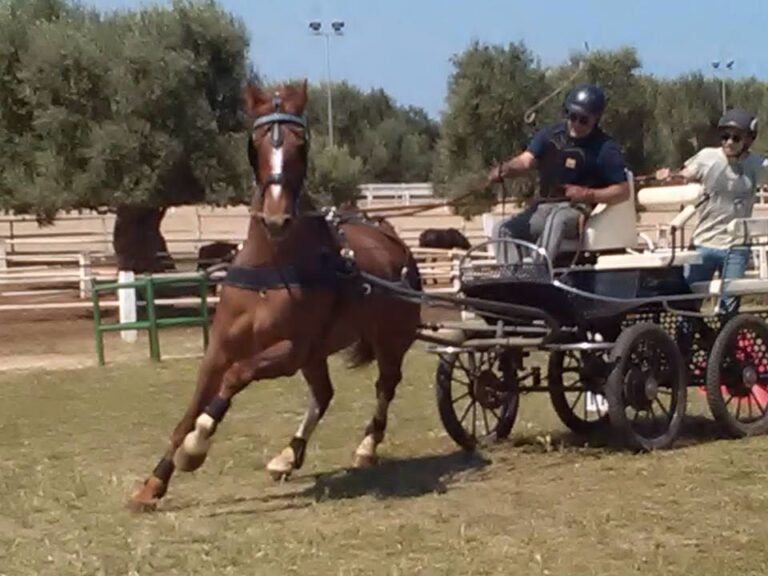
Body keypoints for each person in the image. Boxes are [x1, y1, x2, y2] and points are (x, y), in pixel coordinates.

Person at [487, 83, 630, 263]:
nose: (576, 124)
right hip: (543, 206)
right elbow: (526, 160)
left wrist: (588, 194)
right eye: (572, 116)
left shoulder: (605, 148)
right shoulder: (550, 135)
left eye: (583, 120)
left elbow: (623, 191)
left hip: (575, 209)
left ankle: (539, 270)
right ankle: (512, 275)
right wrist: (506, 169)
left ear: (596, 119)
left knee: (557, 219)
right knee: (502, 229)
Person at [656, 108, 767, 314]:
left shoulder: (757, 164)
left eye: (736, 138)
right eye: (725, 136)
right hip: (703, 243)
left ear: (749, 140)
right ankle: (690, 334)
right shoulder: (707, 157)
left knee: (728, 307)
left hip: (736, 247)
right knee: (687, 303)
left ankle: (727, 334)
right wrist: (669, 177)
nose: (729, 142)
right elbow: (684, 175)